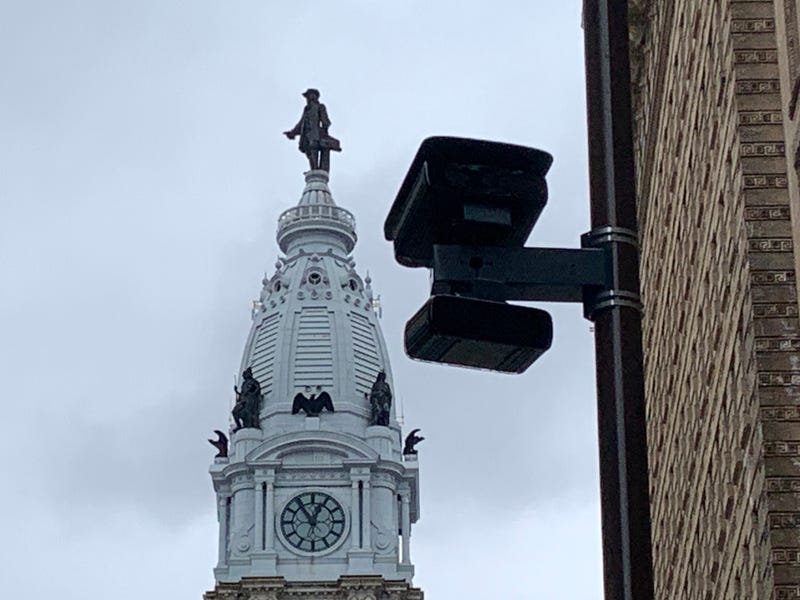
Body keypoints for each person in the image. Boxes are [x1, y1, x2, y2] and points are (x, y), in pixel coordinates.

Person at [283, 88, 341, 172]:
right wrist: (292, 132)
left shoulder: (320, 107)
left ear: (314, 96)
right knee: (310, 153)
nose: (307, 99)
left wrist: (324, 130)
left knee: (314, 150)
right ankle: (314, 170)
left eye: (308, 96)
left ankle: (316, 170)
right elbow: (301, 123)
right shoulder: (306, 109)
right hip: (306, 136)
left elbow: (325, 120)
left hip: (316, 134)